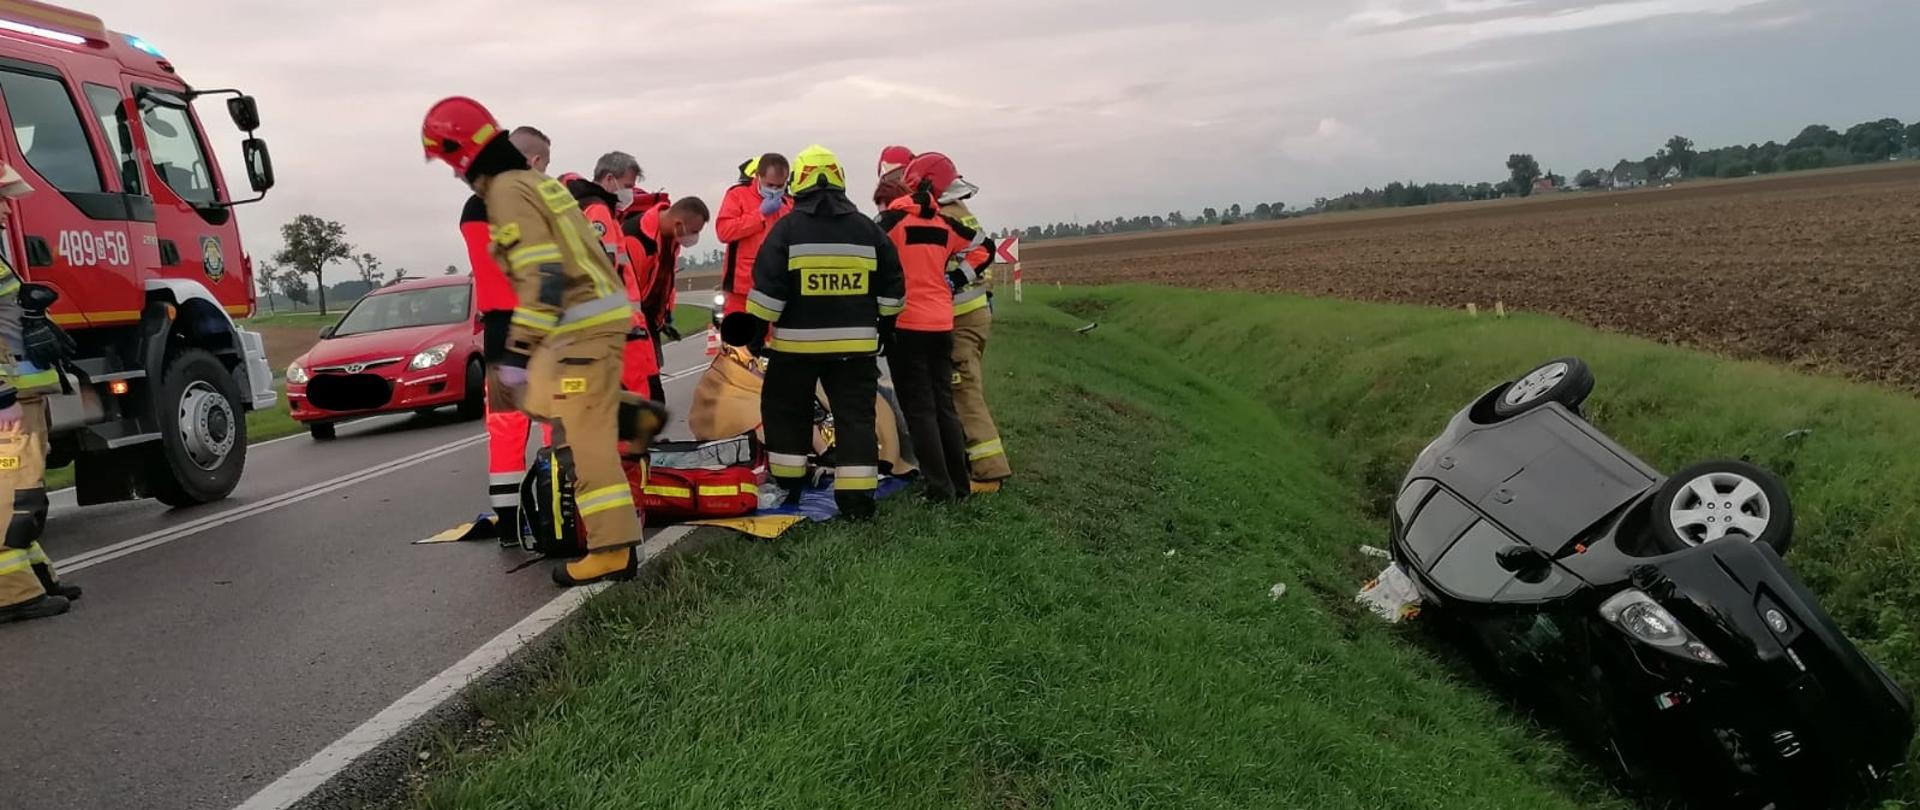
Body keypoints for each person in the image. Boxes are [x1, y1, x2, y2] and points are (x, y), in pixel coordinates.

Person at [424, 97, 647, 586]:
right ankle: (614, 535)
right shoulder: (540, 187)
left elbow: (543, 277)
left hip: (576, 326)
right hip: (597, 318)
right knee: (578, 435)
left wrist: (519, 351)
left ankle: (611, 550)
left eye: (450, 162)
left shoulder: (507, 193)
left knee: (581, 445)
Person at [741, 145, 904, 519]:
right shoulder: (867, 229)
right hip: (856, 350)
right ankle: (857, 501)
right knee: (856, 419)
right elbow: (893, 286)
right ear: (840, 180)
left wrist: (754, 334)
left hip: (795, 351)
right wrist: (886, 326)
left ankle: (790, 484)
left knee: (786, 411)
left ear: (798, 181)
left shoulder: (786, 229)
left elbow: (768, 291)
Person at [876, 153, 992, 502]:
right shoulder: (943, 223)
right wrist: (955, 279)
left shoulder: (892, 222)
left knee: (919, 409)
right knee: (943, 405)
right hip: (942, 323)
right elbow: (984, 247)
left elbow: (867, 255)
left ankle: (938, 489)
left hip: (906, 325)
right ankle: (959, 484)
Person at [461, 125, 551, 545]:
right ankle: (558, 518)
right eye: (544, 164)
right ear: (533, 161)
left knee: (505, 431)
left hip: (498, 334)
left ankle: (511, 528)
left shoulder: (473, 207)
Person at [0, 162, 78, 624]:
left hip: (23, 395)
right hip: (7, 401)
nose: (8, 204)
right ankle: (11, 592)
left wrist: (32, 318)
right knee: (10, 491)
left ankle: (34, 574)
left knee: (26, 490)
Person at [567, 153, 662, 403]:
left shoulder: (584, 207)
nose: (630, 192)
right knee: (635, 399)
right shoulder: (598, 210)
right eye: (628, 185)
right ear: (610, 179)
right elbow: (606, 270)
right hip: (621, 325)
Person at [623, 196, 710, 403]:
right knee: (647, 392)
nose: (695, 237)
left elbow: (665, 280)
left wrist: (665, 315)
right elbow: (628, 291)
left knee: (653, 393)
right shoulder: (636, 238)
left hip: (649, 323)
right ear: (679, 224)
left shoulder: (670, 239)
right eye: (695, 231)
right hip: (633, 328)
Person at [715, 153, 792, 317]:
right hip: (742, 291)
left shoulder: (788, 204)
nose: (775, 190)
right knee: (740, 340)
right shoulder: (737, 195)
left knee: (773, 341)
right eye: (770, 184)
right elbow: (724, 231)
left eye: (780, 186)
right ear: (758, 176)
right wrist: (759, 215)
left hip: (777, 291)